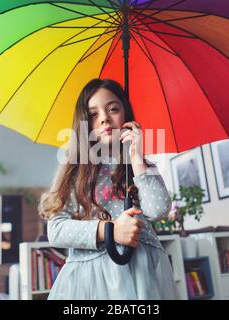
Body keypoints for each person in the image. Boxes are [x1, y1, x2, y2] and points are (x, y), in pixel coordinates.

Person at [38, 78, 177, 300]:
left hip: (143, 276)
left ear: (126, 115)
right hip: (92, 280)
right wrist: (111, 229)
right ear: (84, 124)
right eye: (94, 114)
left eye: (113, 108)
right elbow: (55, 231)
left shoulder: (139, 165)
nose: (104, 118)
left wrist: (137, 159)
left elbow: (158, 209)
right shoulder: (74, 170)